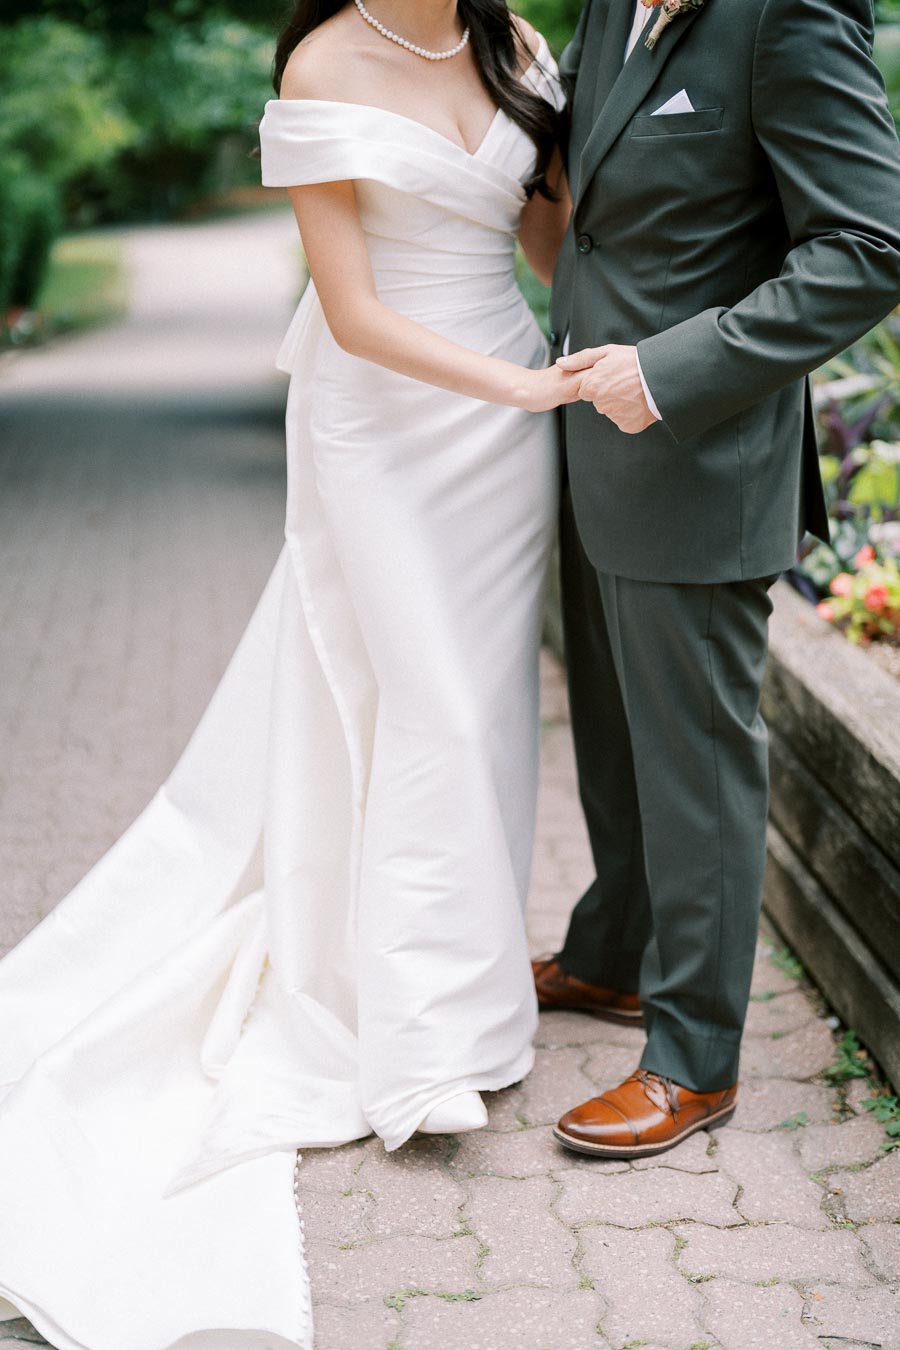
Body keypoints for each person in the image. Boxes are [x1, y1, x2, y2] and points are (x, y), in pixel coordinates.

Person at [0, 4, 576, 1346]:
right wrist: (525, 388)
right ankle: (418, 1041)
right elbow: (356, 310)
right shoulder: (322, 62)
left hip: (506, 430)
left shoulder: (522, 48)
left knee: (480, 711)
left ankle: (464, 1004)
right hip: (387, 419)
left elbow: (546, 243)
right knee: (427, 697)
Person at [537, 0, 900, 1159]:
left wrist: (673, 369)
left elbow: (870, 246)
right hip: (586, 444)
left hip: (699, 455)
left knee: (694, 758)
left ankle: (695, 1061)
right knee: (613, 730)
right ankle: (613, 956)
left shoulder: (786, 17)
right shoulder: (605, 4)